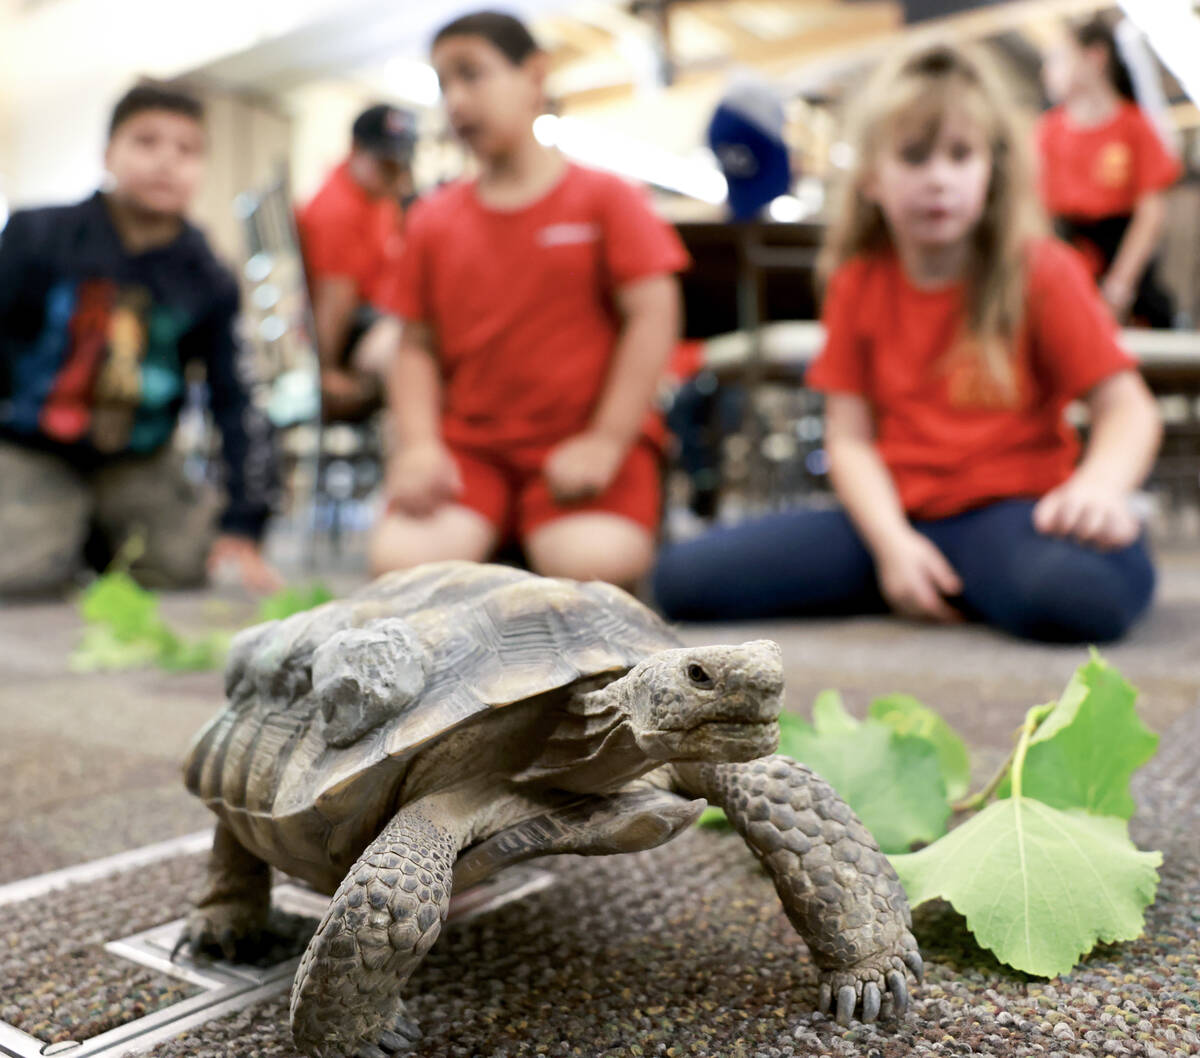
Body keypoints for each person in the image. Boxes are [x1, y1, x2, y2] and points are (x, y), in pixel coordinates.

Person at [653, 43, 1161, 644]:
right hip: (886, 520)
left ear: (990, 168)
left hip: (1009, 511)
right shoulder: (857, 281)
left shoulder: (1042, 270)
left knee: (1080, 596)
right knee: (680, 578)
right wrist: (893, 545)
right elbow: (850, 440)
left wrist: (1099, 488)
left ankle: (952, 576)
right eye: (914, 157)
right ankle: (926, 576)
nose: (939, 178)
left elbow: (1126, 406)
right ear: (871, 176)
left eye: (960, 155)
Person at [370, 11, 688, 587]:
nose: (458, 101)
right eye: (445, 85)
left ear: (534, 76)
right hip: (473, 451)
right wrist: (417, 448)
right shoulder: (432, 220)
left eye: (472, 74)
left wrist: (607, 441)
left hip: (582, 444)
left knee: (595, 567)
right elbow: (413, 345)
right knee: (402, 569)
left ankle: (511, 539)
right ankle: (506, 533)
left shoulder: (606, 197)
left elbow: (654, 313)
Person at [0, 81, 280, 596]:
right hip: (32, 447)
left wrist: (244, 522)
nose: (166, 162)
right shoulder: (33, 236)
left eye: (186, 149)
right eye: (146, 142)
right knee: (16, 573)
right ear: (108, 153)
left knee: (183, 569)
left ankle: (93, 539)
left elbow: (235, 398)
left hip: (140, 458)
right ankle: (66, 536)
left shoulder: (209, 277)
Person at [1037, 17, 1182, 326]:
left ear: (1095, 58)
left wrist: (1118, 287)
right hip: (1067, 254)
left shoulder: (1135, 126)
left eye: (1060, 57)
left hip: (1123, 259)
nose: (1048, 70)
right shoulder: (1046, 133)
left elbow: (1151, 214)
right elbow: (1036, 215)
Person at [297, 103, 417, 421]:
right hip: (357, 333)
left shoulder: (379, 198)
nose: (398, 177)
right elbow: (335, 298)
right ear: (356, 150)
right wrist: (327, 369)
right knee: (411, 351)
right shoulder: (338, 211)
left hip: (381, 315)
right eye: (386, 164)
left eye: (400, 165)